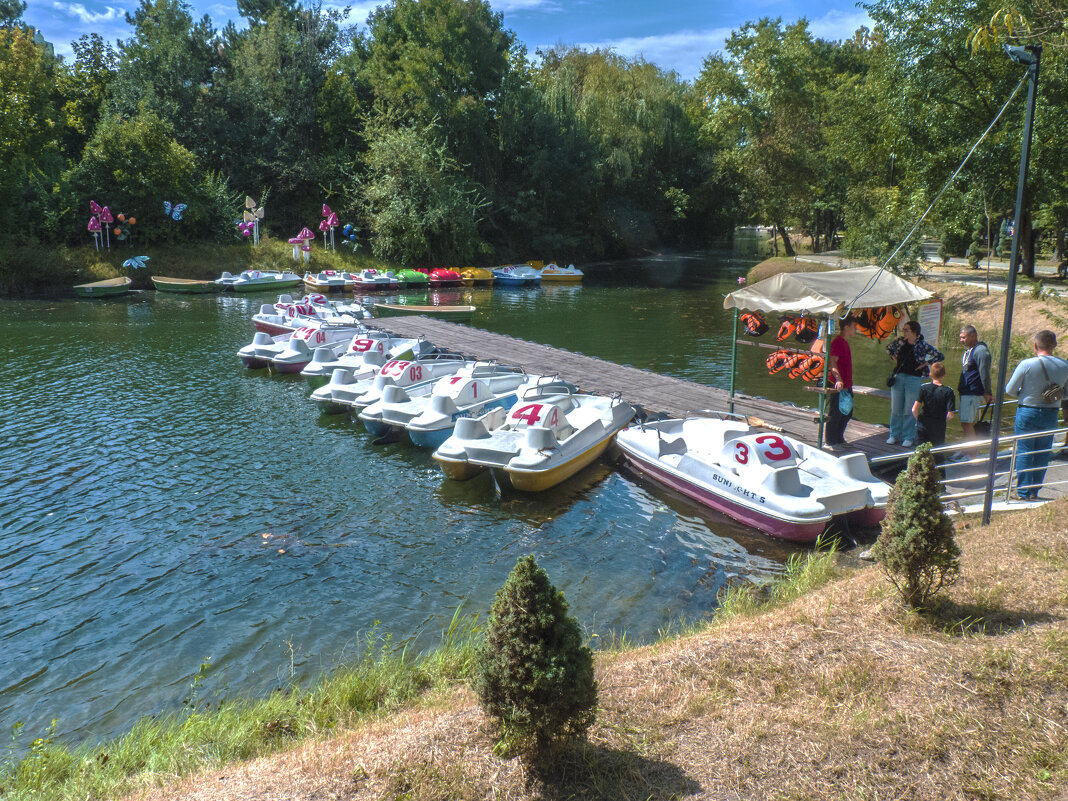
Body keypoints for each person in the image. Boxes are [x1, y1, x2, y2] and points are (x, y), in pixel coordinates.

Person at [1005, 330, 1068, 500]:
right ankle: (1034, 491)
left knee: (1025, 451)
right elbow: (1066, 394)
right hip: (1051, 413)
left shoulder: (1027, 364)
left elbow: (1009, 389)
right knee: (1043, 452)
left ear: (1035, 345)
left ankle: (1023, 492)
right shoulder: (1065, 366)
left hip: (1027, 411)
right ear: (1054, 345)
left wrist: (1025, 394)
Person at [886, 320, 945, 447]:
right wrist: (895, 359)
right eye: (904, 329)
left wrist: (926, 364)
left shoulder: (922, 345)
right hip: (898, 377)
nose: (904, 332)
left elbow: (939, 355)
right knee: (896, 408)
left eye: (906, 330)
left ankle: (908, 437)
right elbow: (889, 349)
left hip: (914, 378)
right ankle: (894, 435)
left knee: (909, 409)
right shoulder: (901, 342)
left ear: (914, 332)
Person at [825, 315, 859, 447]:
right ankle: (831, 441)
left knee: (847, 413)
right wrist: (838, 379)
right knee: (837, 412)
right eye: (854, 327)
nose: (856, 329)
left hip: (847, 384)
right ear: (846, 327)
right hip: (840, 385)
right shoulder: (838, 342)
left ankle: (839, 438)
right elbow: (832, 362)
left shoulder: (845, 342)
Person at [958, 325, 993, 439]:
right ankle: (965, 450)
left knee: (967, 423)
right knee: (965, 423)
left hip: (972, 392)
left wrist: (987, 392)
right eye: (961, 337)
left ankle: (971, 454)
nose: (961, 340)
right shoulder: (971, 350)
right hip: (966, 392)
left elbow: (985, 373)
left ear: (973, 336)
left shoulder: (981, 351)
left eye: (964, 337)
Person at [912, 362, 956, 447]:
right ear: (944, 375)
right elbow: (950, 415)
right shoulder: (949, 391)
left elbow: (914, 409)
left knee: (921, 451)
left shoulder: (923, 388)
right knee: (937, 451)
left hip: (923, 424)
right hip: (938, 425)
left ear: (930, 375)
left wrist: (919, 419)